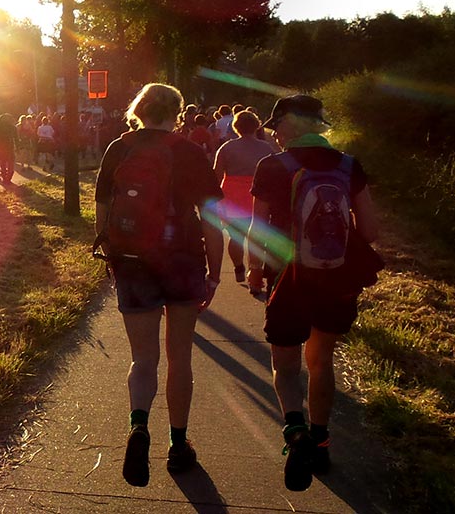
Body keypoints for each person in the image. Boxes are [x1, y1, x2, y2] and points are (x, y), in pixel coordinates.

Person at [246, 94, 379, 492]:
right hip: (335, 279)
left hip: (288, 279)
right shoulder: (348, 165)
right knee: (321, 361)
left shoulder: (271, 166)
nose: (276, 134)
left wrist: (254, 271)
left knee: (285, 367)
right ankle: (321, 442)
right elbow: (371, 232)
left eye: (277, 126)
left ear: (287, 125)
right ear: (318, 126)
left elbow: (257, 229)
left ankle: (295, 432)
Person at [94, 83, 224, 487]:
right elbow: (212, 220)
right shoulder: (189, 153)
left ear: (139, 110)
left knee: (143, 358)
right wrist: (215, 272)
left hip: (133, 262)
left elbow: (102, 210)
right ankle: (178, 444)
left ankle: (138, 426)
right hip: (183, 260)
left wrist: (113, 256)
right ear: (177, 112)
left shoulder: (119, 147)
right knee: (179, 357)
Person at [212, 111, 276, 289]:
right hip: (259, 196)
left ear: (236, 127)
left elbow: (216, 176)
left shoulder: (226, 148)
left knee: (236, 236)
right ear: (257, 126)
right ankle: (256, 275)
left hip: (233, 195)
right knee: (258, 237)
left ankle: (239, 267)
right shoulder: (266, 148)